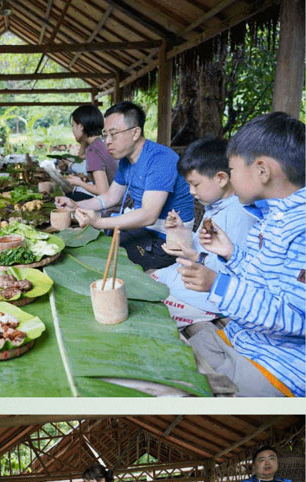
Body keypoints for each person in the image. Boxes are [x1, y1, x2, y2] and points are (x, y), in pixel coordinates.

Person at [178, 112, 305, 397]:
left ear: (262, 170)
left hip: (276, 366)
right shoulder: (270, 218)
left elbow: (295, 318)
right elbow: (266, 281)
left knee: (177, 386)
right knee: (168, 352)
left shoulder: (300, 230)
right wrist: (232, 254)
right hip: (242, 339)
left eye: (233, 170)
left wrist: (218, 285)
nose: (230, 178)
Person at [60, 100, 195, 271]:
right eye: (105, 134)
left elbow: (148, 215)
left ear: (135, 132)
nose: (107, 141)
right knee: (88, 250)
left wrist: (99, 222)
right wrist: (74, 205)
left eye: (114, 134)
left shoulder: (160, 159)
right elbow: (110, 197)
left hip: (167, 238)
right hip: (143, 229)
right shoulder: (126, 161)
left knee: (99, 261)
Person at [149, 137, 257, 327]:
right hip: (194, 280)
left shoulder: (238, 214)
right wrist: (181, 232)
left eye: (195, 184)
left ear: (221, 178)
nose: (191, 191)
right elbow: (205, 246)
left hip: (209, 294)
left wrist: (197, 257)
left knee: (147, 310)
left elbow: (232, 270)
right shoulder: (217, 206)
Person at [64, 104, 117, 203]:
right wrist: (83, 137)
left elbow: (103, 191)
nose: (72, 129)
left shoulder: (93, 150)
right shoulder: (101, 142)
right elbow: (81, 156)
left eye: (73, 125)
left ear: (80, 127)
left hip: (114, 207)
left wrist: (79, 183)